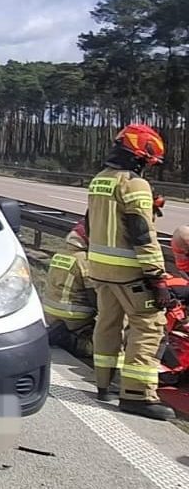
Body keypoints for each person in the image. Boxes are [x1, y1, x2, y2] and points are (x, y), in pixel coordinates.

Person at [84, 123, 174, 420]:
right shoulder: (135, 184)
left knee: (108, 323)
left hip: (101, 269)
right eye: (149, 160)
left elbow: (94, 223)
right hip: (130, 273)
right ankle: (137, 395)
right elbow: (142, 234)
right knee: (149, 327)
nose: (149, 166)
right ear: (140, 155)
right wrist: (157, 276)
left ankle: (103, 384)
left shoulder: (100, 179)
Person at [43, 219, 95, 360]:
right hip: (74, 316)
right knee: (103, 344)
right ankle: (69, 340)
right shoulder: (84, 260)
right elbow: (94, 295)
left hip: (50, 314)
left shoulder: (60, 254)